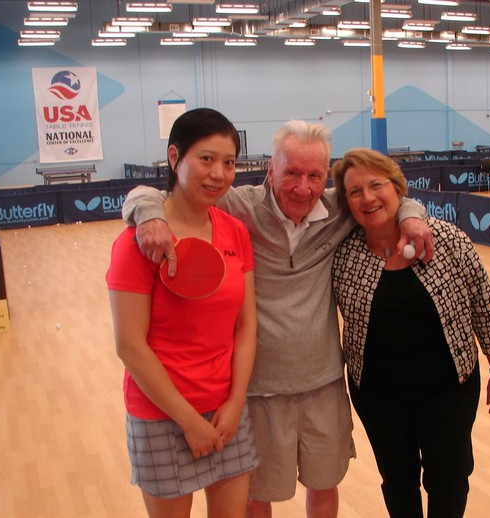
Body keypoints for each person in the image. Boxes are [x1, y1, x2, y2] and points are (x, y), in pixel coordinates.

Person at [121, 120, 435, 518]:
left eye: (314, 176)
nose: (303, 187)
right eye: (291, 173)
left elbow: (387, 195)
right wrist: (148, 213)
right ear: (270, 169)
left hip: (323, 383)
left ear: (325, 178)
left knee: (324, 486)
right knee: (256, 496)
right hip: (258, 390)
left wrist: (411, 214)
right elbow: (158, 193)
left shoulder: (341, 209)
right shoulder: (238, 207)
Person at [330, 148, 490, 518]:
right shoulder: (342, 254)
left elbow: (484, 305)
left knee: (449, 478)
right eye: (354, 192)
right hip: (378, 394)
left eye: (376, 185)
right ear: (345, 202)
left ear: (398, 188)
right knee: (397, 480)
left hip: (449, 386)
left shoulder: (448, 240)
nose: (367, 197)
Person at [106, 108, 259, 518]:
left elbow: (246, 326)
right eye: (206, 159)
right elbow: (129, 345)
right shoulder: (136, 245)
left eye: (229, 163)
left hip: (227, 410)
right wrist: (188, 420)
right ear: (175, 158)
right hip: (162, 415)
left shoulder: (235, 232)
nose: (219, 174)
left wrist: (235, 402)